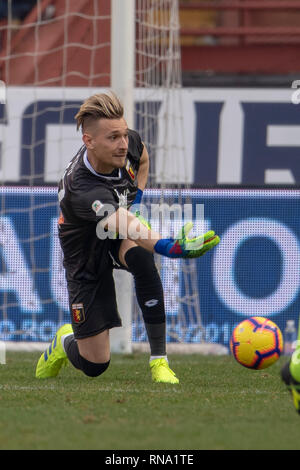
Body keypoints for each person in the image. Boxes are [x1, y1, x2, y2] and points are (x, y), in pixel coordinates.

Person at [35, 92, 220, 384]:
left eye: (123, 135)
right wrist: (169, 246)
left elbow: (143, 158)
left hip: (116, 230)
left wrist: (138, 198)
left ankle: (159, 360)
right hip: (85, 252)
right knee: (95, 364)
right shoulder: (82, 188)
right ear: (89, 141)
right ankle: (64, 340)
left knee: (142, 258)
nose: (123, 144)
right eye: (113, 138)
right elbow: (124, 223)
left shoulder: (127, 144)